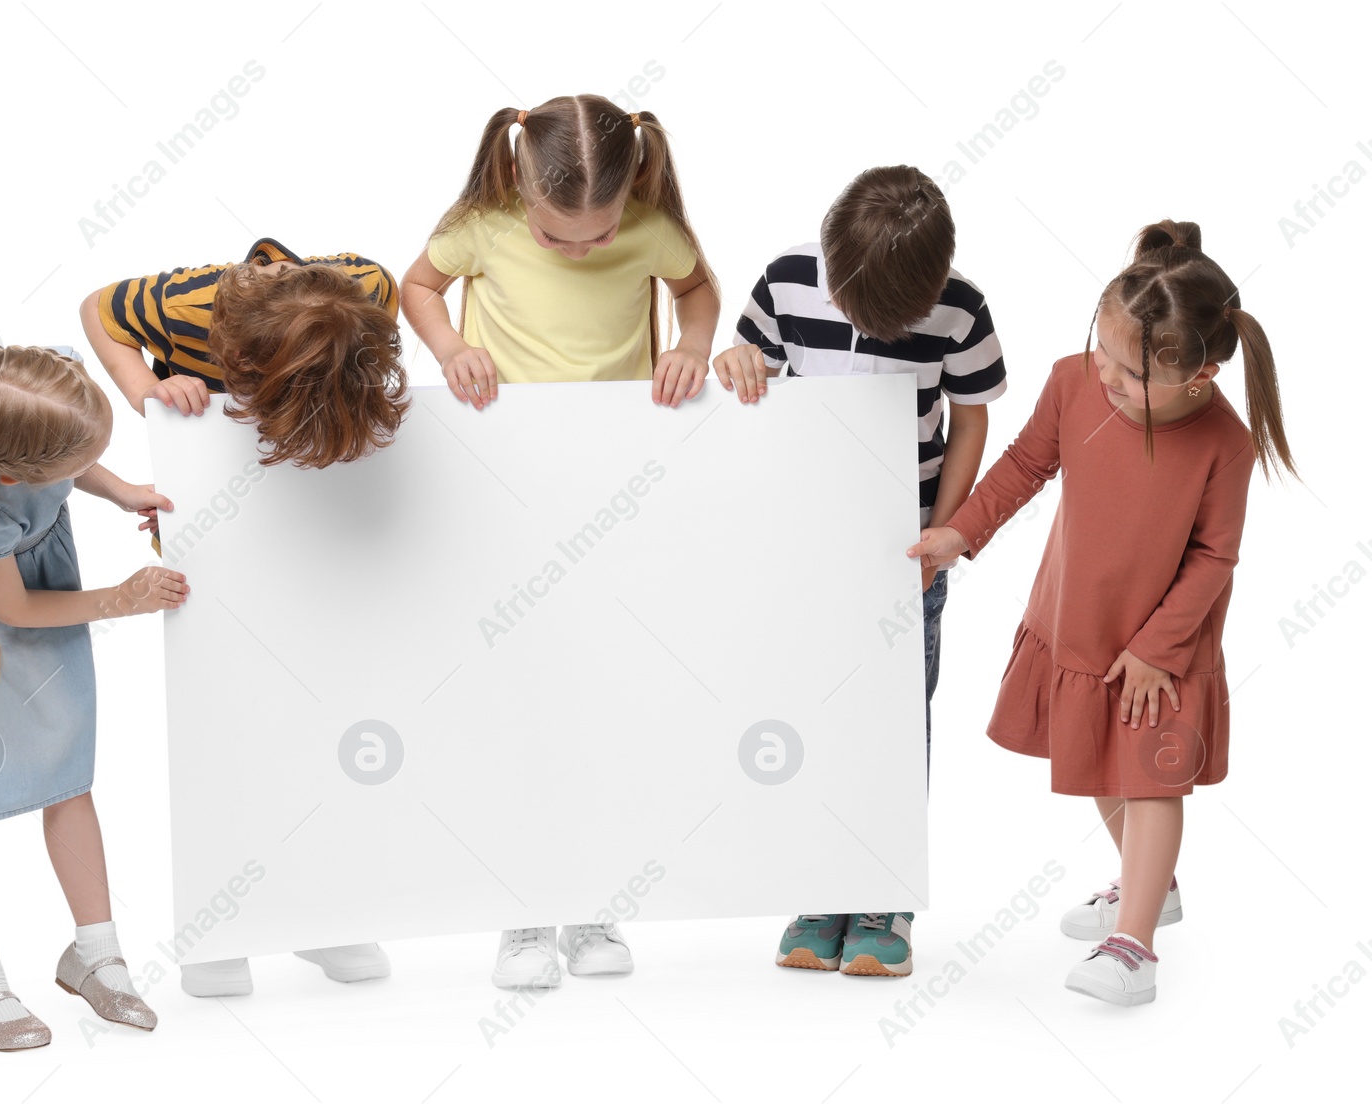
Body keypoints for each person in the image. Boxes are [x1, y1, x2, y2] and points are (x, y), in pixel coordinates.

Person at [909, 220, 1293, 1005]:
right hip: (1080, 618)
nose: (1110, 379)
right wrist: (961, 530)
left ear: (1202, 374)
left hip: (1166, 643)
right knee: (1100, 766)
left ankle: (1135, 946)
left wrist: (1158, 646)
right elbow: (1024, 464)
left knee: (1150, 780)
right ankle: (1153, 887)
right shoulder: (1073, 380)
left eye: (1134, 373)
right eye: (1105, 355)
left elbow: (1214, 557)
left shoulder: (1224, 442)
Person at [401, 94, 721, 987]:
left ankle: (593, 903)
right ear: (516, 180)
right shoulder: (485, 223)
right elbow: (415, 284)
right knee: (519, 699)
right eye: (559, 238)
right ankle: (522, 914)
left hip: (611, 495)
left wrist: (691, 344)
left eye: (599, 235)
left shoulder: (650, 228)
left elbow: (698, 288)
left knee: (605, 694)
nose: (583, 250)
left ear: (633, 192)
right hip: (503, 490)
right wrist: (445, 350)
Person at [80, 241, 409, 996]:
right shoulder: (187, 302)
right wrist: (146, 390)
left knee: (338, 725)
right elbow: (98, 308)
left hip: (321, 527)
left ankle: (325, 914)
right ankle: (220, 928)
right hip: (219, 536)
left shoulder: (367, 294)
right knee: (227, 727)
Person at [715, 165, 1006, 977]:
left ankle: (882, 893)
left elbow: (973, 415)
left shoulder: (961, 306)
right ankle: (821, 885)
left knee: (893, 719)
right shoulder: (788, 279)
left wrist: (946, 529)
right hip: (807, 548)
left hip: (904, 552)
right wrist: (735, 364)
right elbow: (747, 369)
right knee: (808, 713)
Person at [0, 345, 189, 1050]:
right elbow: (15, 609)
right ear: (16, 473)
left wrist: (121, 490)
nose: (83, 466)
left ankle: (94, 950)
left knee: (67, 775)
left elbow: (73, 455)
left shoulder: (29, 414)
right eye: (73, 462)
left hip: (37, 600)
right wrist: (121, 598)